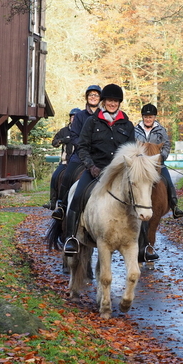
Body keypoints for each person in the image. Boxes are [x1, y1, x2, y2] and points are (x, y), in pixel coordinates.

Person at [63, 83, 136, 254]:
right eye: (109, 100)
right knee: (78, 194)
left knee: (140, 198)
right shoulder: (92, 121)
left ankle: (144, 244)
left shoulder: (127, 124)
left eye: (116, 101)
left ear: (119, 103)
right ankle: (71, 238)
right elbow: (82, 146)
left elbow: (132, 149)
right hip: (96, 169)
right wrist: (90, 166)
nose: (112, 103)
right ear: (104, 102)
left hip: (119, 173)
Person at [52, 85, 102, 220]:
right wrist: (85, 148)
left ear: (100, 98)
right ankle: (61, 206)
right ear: (87, 97)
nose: (93, 97)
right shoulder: (80, 116)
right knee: (68, 173)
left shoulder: (105, 115)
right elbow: (74, 136)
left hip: (99, 155)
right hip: (81, 154)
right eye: (91, 95)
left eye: (96, 95)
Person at [135, 103, 183, 219]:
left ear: (154, 118)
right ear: (143, 117)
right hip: (140, 164)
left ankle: (174, 205)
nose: (148, 119)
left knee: (167, 180)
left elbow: (166, 146)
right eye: (146, 117)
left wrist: (161, 158)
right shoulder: (135, 130)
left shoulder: (161, 130)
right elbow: (132, 145)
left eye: (150, 117)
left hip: (156, 163)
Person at [44, 107, 81, 210]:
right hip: (65, 162)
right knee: (55, 176)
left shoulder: (83, 131)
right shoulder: (64, 131)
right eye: (72, 117)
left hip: (80, 162)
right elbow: (54, 143)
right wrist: (63, 140)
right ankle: (53, 201)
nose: (74, 119)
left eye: (76, 117)